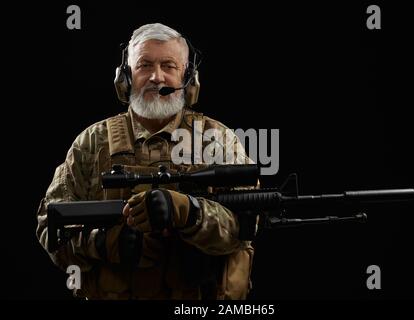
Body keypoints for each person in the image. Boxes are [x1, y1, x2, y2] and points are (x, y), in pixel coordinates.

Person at [36, 23, 256, 300]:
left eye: (169, 66)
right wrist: (107, 243)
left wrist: (190, 213)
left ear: (189, 78)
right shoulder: (91, 143)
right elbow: (50, 227)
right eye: (144, 65)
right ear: (125, 78)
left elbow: (246, 227)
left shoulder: (217, 139)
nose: (156, 77)